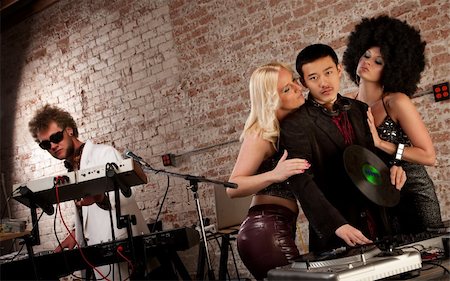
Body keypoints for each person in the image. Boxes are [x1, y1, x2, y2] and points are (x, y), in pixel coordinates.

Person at [278, 44, 407, 254]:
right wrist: (335, 225)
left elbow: (373, 157)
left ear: (338, 70)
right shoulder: (295, 123)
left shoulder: (360, 110)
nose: (323, 82)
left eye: (328, 72)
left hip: (381, 221)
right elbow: (302, 181)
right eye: (313, 78)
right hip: (341, 229)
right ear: (303, 82)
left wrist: (395, 166)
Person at [342, 15, 443, 233]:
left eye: (378, 61)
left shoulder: (396, 101)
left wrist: (381, 143)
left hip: (414, 192)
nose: (367, 62)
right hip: (380, 196)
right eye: (366, 54)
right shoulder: (349, 106)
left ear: (392, 69)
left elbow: (429, 156)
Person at [28, 104, 151, 280]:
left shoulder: (104, 154)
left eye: (56, 137)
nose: (53, 146)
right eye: (46, 144)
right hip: (95, 256)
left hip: (122, 251)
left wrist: (99, 197)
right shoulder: (72, 168)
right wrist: (75, 233)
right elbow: (85, 210)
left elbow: (126, 196)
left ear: (69, 130)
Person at [227, 62, 310, 280]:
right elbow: (232, 187)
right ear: (271, 99)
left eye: (293, 80)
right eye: (286, 89)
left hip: (279, 225)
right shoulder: (261, 134)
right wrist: (275, 174)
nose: (297, 87)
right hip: (264, 229)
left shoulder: (288, 128)